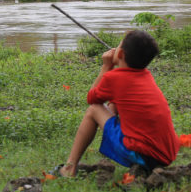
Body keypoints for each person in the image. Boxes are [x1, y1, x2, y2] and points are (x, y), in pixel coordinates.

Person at [58, 30, 179, 177]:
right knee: (113, 105)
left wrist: (106, 66)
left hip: (143, 156)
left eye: (118, 45)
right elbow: (114, 103)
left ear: (120, 54)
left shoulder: (114, 78)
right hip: (165, 156)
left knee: (93, 110)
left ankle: (69, 167)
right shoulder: (145, 75)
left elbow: (92, 98)